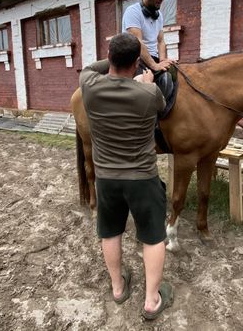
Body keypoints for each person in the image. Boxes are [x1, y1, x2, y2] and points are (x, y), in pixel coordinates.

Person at [80, 32, 173, 320]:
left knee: (110, 231)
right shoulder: (148, 93)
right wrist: (147, 79)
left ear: (109, 58)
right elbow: (161, 107)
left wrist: (113, 57)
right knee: (153, 237)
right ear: (136, 64)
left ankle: (118, 288)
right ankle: (151, 300)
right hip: (142, 178)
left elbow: (89, 69)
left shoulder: (89, 86)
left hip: (106, 178)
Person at [122, 0, 177, 96]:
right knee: (141, 85)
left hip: (153, 58)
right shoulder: (132, 12)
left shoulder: (160, 16)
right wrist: (155, 65)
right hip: (135, 59)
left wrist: (163, 60)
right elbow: (137, 42)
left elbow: (161, 41)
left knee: (176, 75)